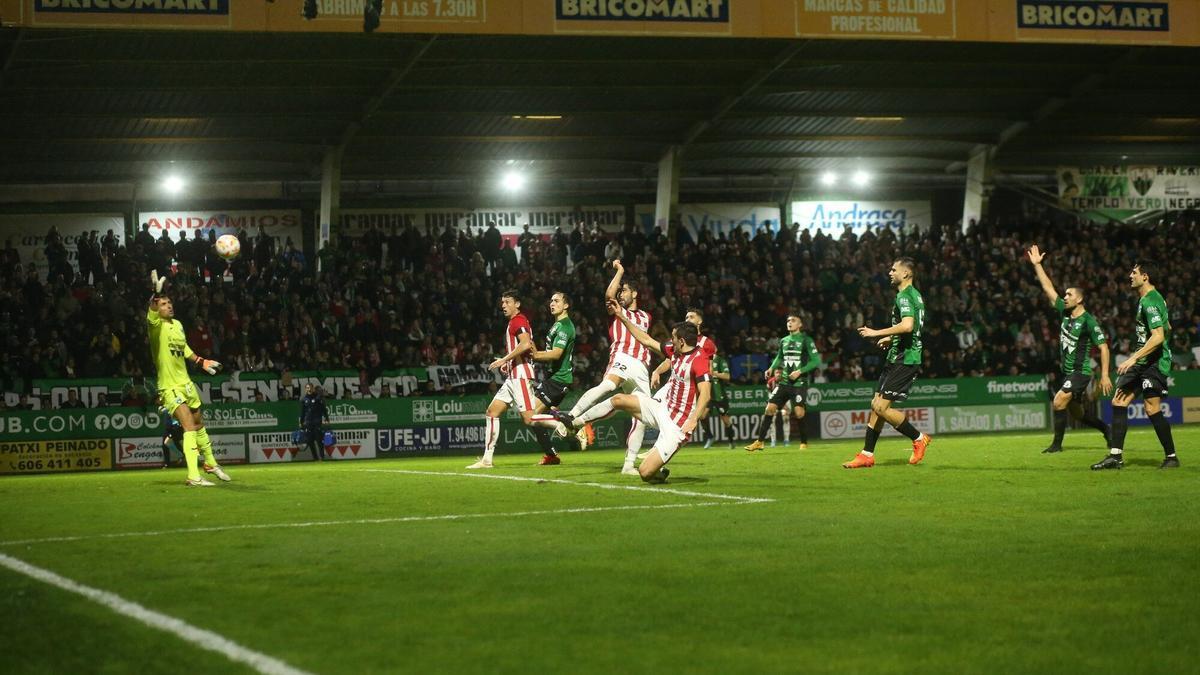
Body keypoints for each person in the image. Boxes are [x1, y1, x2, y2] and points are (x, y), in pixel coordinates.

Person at [556, 308, 710, 483]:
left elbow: (706, 394)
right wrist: (622, 317)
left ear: (681, 341)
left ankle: (657, 471)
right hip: (662, 408)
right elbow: (645, 339)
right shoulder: (674, 351)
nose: (670, 341)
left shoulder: (700, 360)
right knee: (618, 399)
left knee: (645, 473)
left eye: (673, 338)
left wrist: (694, 419)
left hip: (678, 424)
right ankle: (576, 423)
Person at [552, 259, 653, 476]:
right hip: (622, 357)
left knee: (642, 417)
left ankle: (628, 465)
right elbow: (609, 295)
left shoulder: (646, 316)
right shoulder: (615, 309)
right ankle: (572, 417)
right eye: (620, 291)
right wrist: (620, 271)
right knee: (607, 386)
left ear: (635, 294)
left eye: (624, 291)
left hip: (642, 366)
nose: (620, 294)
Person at [844, 258, 933, 469]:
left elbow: (908, 326)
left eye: (894, 269)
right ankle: (867, 454)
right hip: (897, 354)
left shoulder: (904, 296)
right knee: (876, 405)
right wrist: (891, 339)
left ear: (906, 274)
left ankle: (919, 437)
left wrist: (876, 332)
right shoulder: (916, 296)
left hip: (906, 357)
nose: (890, 272)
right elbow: (909, 329)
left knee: (881, 407)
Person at [146, 270, 230, 486]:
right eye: (164, 304)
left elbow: (184, 348)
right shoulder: (155, 326)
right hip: (169, 386)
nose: (168, 306)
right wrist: (154, 295)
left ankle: (210, 463)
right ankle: (193, 475)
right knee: (188, 428)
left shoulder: (178, 325)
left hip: (186, 383)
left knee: (199, 423)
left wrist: (202, 362)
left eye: (169, 303)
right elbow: (152, 310)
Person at [1093, 260, 1179, 470]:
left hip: (1153, 363)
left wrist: (1132, 358)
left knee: (1151, 409)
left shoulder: (1149, 302)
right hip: (1144, 360)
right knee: (1119, 402)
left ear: (1145, 276)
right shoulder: (1151, 299)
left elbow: (1158, 336)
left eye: (1134, 272)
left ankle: (1171, 457)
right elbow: (1167, 326)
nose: (1130, 276)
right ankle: (1115, 457)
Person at [1026, 244, 1113, 453]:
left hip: (1081, 372)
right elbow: (1048, 288)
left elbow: (1104, 348)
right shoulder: (1064, 313)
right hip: (1068, 372)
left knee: (1058, 401)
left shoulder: (1089, 321)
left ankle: (1056, 446)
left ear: (1079, 299)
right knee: (1078, 414)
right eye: (1064, 294)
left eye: (1069, 294)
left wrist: (1105, 375)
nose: (1064, 297)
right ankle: (1106, 430)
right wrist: (1038, 265)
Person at [467, 290, 537, 469]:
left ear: (517, 304)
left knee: (529, 419)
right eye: (502, 302)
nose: (503, 305)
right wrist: (509, 362)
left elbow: (526, 343)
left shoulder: (518, 320)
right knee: (492, 413)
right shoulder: (513, 322)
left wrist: (504, 360)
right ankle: (487, 460)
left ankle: (570, 424)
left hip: (520, 374)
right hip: (513, 375)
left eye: (507, 302)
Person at [745, 314, 822, 452]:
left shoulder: (806, 340)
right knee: (769, 409)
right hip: (785, 382)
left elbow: (816, 361)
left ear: (800, 325)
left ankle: (804, 442)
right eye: (788, 320)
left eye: (793, 321)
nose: (789, 323)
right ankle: (760, 442)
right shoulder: (784, 340)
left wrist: (800, 371)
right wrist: (771, 368)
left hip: (799, 382)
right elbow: (779, 356)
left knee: (798, 413)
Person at [521, 291, 577, 466]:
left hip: (559, 380)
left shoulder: (565, 326)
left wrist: (536, 355)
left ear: (566, 305)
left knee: (530, 415)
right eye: (551, 300)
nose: (552, 303)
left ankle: (568, 424)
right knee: (535, 421)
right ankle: (551, 455)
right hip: (553, 378)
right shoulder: (556, 325)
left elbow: (557, 353)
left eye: (557, 301)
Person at [703, 350, 736, 449]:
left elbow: (727, 376)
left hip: (719, 395)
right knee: (702, 416)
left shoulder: (721, 361)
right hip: (707, 395)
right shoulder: (703, 361)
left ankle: (731, 441)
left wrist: (715, 374)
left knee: (726, 420)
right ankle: (710, 437)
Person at [300, 383, 330, 462]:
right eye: (307, 387)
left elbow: (323, 409)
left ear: (312, 388)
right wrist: (301, 422)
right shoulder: (304, 399)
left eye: (309, 387)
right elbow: (303, 412)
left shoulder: (317, 397)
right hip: (308, 422)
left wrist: (326, 418)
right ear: (305, 389)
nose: (308, 389)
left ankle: (322, 457)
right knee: (310, 441)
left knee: (319, 440)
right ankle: (315, 458)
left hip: (317, 421)